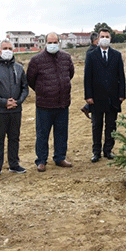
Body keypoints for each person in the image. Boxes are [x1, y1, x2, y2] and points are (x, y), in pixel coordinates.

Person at [27, 32, 75, 172]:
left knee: (61, 132)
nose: (52, 44)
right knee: (42, 133)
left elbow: (70, 74)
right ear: (45, 43)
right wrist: (43, 90)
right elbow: (30, 79)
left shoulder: (66, 57)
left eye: (55, 42)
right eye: (50, 42)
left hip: (62, 103)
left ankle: (60, 157)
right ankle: (41, 160)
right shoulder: (36, 60)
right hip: (44, 105)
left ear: (58, 42)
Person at [0, 39, 29, 177]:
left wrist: (18, 101)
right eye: (5, 48)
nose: (8, 50)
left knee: (14, 137)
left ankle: (14, 164)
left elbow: (24, 88)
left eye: (10, 48)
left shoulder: (19, 68)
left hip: (16, 109)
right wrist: (3, 102)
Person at [85, 28, 126, 162]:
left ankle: (108, 150)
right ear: (98, 38)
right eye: (102, 36)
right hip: (96, 98)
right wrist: (88, 96)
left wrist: (121, 94)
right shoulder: (91, 55)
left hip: (113, 97)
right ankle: (96, 152)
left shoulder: (116, 55)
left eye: (107, 36)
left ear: (110, 38)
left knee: (111, 125)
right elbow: (87, 77)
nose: (104, 38)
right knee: (97, 125)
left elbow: (121, 76)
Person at [80, 32, 99, 119]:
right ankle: (87, 109)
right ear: (95, 40)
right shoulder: (92, 51)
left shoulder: (92, 49)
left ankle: (87, 108)